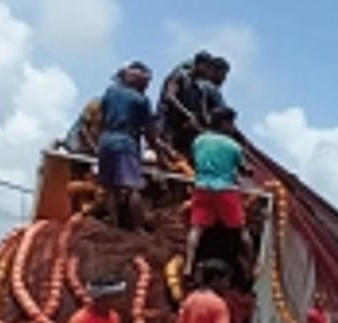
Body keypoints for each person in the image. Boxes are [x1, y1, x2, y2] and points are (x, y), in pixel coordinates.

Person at [97, 61, 176, 230]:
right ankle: (138, 228)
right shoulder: (141, 100)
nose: (148, 86)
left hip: (106, 141)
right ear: (138, 81)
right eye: (147, 83)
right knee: (133, 187)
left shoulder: (110, 93)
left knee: (111, 187)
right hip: (125, 143)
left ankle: (113, 223)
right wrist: (162, 157)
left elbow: (102, 119)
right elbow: (150, 134)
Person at [184, 106, 252, 278]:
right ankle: (250, 267)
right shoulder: (233, 146)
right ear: (224, 123)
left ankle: (188, 265)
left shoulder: (199, 140)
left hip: (202, 187)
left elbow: (193, 160)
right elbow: (244, 169)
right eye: (231, 123)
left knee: (197, 229)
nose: (233, 127)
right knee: (242, 231)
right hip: (226, 190)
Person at [159, 51, 214, 157]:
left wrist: (211, 129)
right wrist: (188, 114)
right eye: (207, 68)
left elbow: (204, 112)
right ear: (200, 64)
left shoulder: (200, 88)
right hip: (168, 125)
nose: (208, 72)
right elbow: (170, 96)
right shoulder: (179, 76)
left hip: (185, 130)